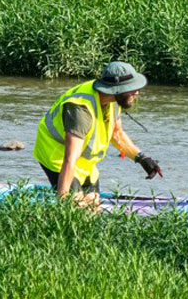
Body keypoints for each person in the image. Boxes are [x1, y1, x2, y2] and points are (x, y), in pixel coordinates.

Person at [33, 61, 164, 207]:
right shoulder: (80, 110)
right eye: (131, 89)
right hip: (55, 154)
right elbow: (69, 160)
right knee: (76, 207)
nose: (137, 92)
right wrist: (63, 204)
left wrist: (142, 158)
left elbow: (117, 134)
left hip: (85, 162)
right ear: (116, 89)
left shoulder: (113, 99)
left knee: (93, 206)